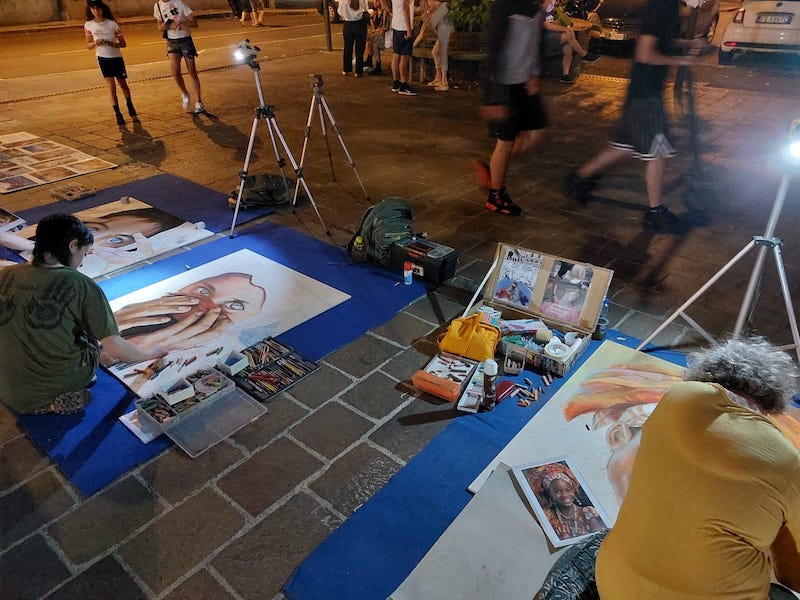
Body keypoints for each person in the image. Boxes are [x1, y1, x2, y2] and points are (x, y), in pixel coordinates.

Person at [595, 337, 800, 599]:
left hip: (612, 584)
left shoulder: (676, 398)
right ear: (770, 403)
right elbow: (792, 576)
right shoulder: (788, 460)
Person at [0, 214, 167, 415]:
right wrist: (149, 353)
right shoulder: (81, 285)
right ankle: (57, 399)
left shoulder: (5, 274)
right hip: (47, 387)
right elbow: (115, 348)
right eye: (85, 253)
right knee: (91, 339)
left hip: (5, 386)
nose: (82, 262)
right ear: (72, 245)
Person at [564, 0, 706, 233]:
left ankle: (578, 179)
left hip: (643, 93)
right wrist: (680, 60)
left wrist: (687, 43)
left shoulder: (668, 6)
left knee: (625, 146)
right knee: (658, 151)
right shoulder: (661, 7)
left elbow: (660, 40)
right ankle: (655, 213)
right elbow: (644, 54)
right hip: (646, 96)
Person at [472, 0, 547, 216]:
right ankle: (496, 196)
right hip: (504, 84)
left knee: (535, 135)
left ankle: (492, 168)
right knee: (506, 141)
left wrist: (535, 73)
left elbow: (536, 44)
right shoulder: (504, 5)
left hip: (526, 82)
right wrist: (491, 97)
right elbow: (494, 46)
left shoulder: (537, 8)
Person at [113, 272, 267, 352]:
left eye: (235, 306)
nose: (206, 305)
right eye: (203, 291)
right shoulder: (130, 313)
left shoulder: (216, 351)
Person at [84, 0, 138, 126]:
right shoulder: (88, 25)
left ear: (103, 9)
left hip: (116, 57)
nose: (96, 11)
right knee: (111, 86)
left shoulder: (112, 24)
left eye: (98, 8)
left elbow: (123, 43)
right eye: (93, 8)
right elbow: (88, 45)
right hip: (102, 58)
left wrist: (112, 44)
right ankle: (118, 113)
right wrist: (95, 43)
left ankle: (130, 105)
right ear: (90, 10)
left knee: (123, 84)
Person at [154, 0, 205, 114]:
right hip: (171, 42)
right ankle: (185, 93)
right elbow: (159, 26)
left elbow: (194, 23)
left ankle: (199, 101)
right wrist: (168, 25)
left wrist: (182, 22)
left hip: (185, 39)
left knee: (192, 71)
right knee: (175, 72)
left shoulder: (179, 3)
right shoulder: (157, 6)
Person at [534, 464, 606, 540]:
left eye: (568, 490)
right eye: (557, 491)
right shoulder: (548, 517)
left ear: (573, 490)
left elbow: (598, 538)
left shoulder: (587, 512)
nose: (564, 495)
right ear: (550, 493)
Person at [541, 0, 599, 84]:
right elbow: (547, 25)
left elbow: (552, 22)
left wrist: (564, 27)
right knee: (568, 36)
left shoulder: (552, 6)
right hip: (543, 37)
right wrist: (565, 29)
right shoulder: (542, 7)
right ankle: (583, 54)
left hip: (551, 35)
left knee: (568, 47)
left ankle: (565, 75)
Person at [421, 0, 454, 91]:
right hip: (442, 27)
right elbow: (422, 34)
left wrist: (429, 13)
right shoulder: (426, 8)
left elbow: (439, 5)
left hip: (445, 26)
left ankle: (444, 82)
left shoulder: (431, 3)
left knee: (442, 53)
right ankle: (438, 78)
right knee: (435, 52)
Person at [390, 0, 419, 95]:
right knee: (404, 56)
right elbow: (405, 7)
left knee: (396, 54)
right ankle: (403, 83)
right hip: (403, 26)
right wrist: (408, 28)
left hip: (396, 24)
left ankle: (396, 82)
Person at [338, 0, 370, 77]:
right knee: (360, 49)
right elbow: (366, 9)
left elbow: (340, 12)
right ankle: (358, 71)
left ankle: (346, 69)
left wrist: (347, 15)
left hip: (348, 24)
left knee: (348, 47)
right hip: (360, 24)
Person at [365, 0, 390, 76]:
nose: (375, 2)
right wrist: (372, 20)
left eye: (377, 1)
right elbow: (373, 27)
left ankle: (375, 63)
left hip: (384, 35)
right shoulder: (375, 13)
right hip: (377, 34)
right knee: (369, 40)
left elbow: (385, 27)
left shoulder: (384, 12)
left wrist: (379, 30)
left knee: (373, 42)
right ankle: (369, 60)